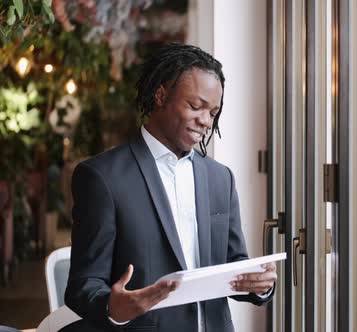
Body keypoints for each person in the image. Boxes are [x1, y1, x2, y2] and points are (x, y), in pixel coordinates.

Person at [64, 43, 277, 332]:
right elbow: (83, 285)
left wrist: (258, 285)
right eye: (195, 106)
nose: (205, 120)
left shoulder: (220, 179)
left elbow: (232, 264)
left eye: (213, 112)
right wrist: (113, 308)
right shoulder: (102, 177)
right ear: (161, 95)